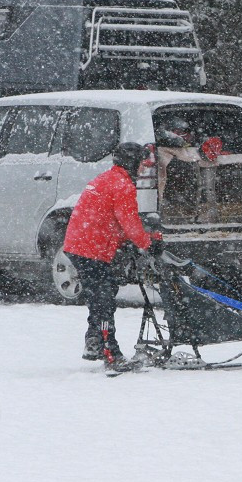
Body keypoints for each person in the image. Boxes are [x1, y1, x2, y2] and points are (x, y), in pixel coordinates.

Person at [63, 142, 163, 371]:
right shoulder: (123, 185)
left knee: (99, 295)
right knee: (104, 298)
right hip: (92, 248)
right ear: (132, 163)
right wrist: (148, 243)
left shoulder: (107, 178)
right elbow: (129, 223)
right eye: (140, 163)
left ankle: (94, 341)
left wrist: (134, 239)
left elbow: (109, 217)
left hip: (78, 244)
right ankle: (111, 353)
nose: (142, 169)